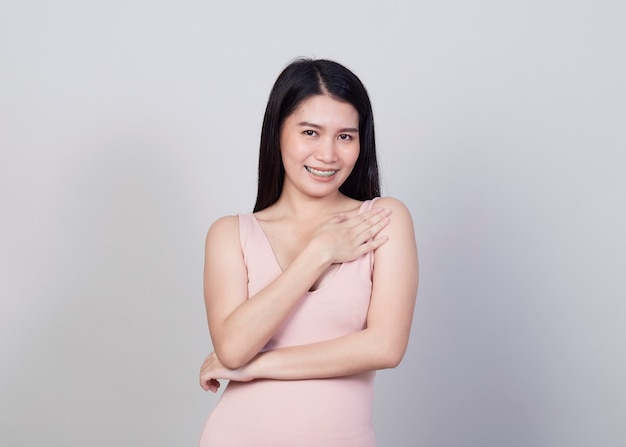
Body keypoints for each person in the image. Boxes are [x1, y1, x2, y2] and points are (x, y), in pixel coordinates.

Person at [197, 58, 418, 447]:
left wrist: (260, 366)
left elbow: (385, 346)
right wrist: (319, 252)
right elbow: (232, 348)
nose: (328, 154)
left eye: (345, 136)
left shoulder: (383, 220)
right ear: (278, 133)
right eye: (311, 132)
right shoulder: (231, 234)